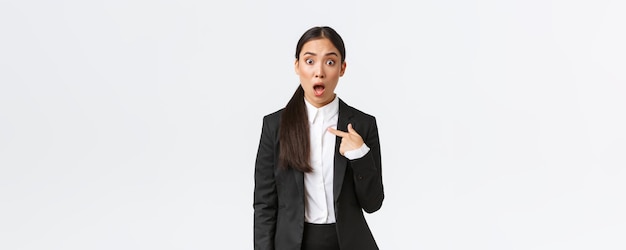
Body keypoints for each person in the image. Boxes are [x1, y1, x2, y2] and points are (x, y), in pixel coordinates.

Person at [254, 26, 384, 250]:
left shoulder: (363, 125)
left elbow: (373, 204)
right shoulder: (275, 126)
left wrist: (360, 155)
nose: (319, 72)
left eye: (330, 62)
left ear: (342, 68)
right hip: (294, 244)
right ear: (297, 66)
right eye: (310, 61)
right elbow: (265, 205)